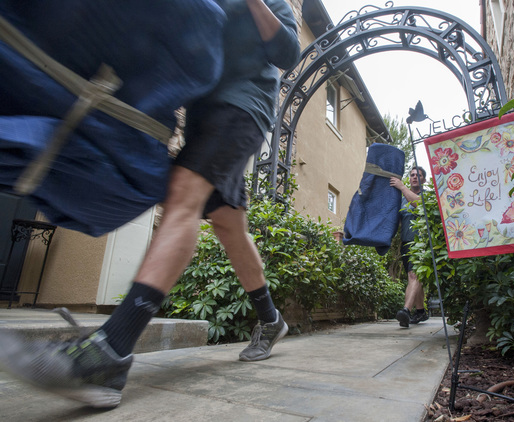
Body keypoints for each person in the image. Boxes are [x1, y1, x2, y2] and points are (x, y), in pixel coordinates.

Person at [0, 0, 300, 409]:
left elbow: (287, 54)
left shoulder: (275, 4)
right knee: (229, 227)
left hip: (244, 107)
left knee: (182, 200)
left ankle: (110, 352)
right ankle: (271, 319)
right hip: (203, 116)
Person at [390, 166, 429, 328]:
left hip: (421, 242)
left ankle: (406, 310)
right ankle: (420, 311)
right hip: (406, 243)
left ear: (424, 180)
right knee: (413, 278)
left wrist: (401, 186)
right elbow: (398, 221)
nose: (414, 177)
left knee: (414, 275)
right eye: (412, 175)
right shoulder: (403, 199)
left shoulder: (427, 196)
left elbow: (419, 205)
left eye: (418, 175)